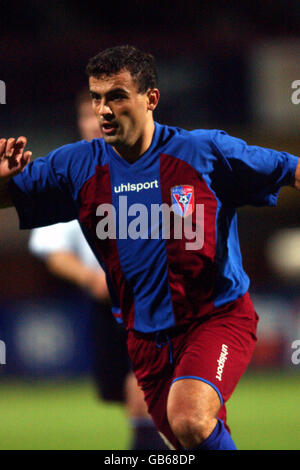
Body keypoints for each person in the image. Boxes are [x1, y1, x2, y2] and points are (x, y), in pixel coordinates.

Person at [0, 44, 299, 450]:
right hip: (143, 336)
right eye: (97, 98)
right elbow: (9, 195)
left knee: (190, 417)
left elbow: (291, 170)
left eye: (117, 96)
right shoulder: (77, 166)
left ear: (150, 98)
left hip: (215, 318)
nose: (104, 109)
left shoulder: (204, 152)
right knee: (184, 437)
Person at [27, 91, 166, 451]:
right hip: (105, 303)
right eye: (88, 116)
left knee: (144, 389)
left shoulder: (152, 164)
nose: (96, 121)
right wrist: (93, 279)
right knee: (120, 391)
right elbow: (53, 250)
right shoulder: (69, 172)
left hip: (153, 299)